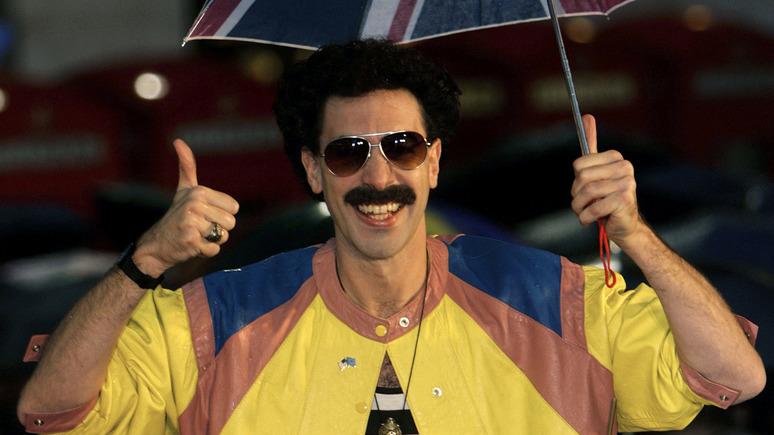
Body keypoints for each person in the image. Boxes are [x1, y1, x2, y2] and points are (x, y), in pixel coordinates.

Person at [17, 39, 764, 435]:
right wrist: (145, 262)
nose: (379, 177)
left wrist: (636, 235)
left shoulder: (552, 298)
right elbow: (50, 411)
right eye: (349, 153)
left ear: (433, 161)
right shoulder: (218, 320)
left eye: (403, 147)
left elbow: (735, 374)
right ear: (314, 171)